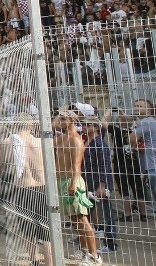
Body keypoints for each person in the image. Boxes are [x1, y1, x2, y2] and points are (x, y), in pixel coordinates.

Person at [0, 113, 53, 266]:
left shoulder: (8, 142)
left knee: (27, 229)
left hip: (22, 188)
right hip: (42, 188)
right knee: (45, 230)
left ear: (15, 124)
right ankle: (50, 263)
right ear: (31, 125)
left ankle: (34, 260)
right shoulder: (41, 142)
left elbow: (0, 167)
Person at [54, 112, 100, 265]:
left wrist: (73, 184)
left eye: (63, 119)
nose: (59, 121)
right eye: (59, 118)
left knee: (82, 219)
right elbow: (50, 129)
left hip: (72, 181)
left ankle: (95, 256)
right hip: (61, 181)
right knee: (75, 220)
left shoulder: (76, 140)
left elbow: (76, 166)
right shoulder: (61, 138)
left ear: (72, 121)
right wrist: (59, 117)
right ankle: (84, 251)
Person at [83, 117, 117, 254]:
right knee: (87, 212)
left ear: (96, 127)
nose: (85, 126)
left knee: (107, 213)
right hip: (89, 182)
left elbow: (105, 166)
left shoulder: (100, 144)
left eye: (88, 124)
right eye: (83, 124)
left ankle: (111, 244)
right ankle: (86, 239)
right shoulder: (88, 142)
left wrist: (102, 185)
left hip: (99, 183)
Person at [131, 99, 156, 213]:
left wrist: (132, 144)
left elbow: (132, 138)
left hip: (151, 164)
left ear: (148, 110)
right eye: (135, 106)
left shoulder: (146, 121)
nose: (136, 108)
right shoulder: (150, 121)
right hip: (148, 163)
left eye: (140, 106)